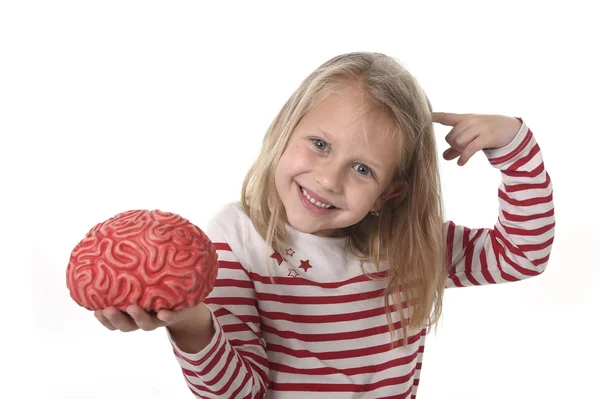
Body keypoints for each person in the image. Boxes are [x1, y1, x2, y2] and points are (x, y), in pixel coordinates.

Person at [94, 52, 555, 398]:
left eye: (363, 170)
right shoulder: (236, 241)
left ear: (388, 194)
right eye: (319, 143)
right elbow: (239, 393)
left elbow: (522, 255)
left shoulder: (407, 244)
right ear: (284, 130)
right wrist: (192, 323)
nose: (328, 179)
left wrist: (514, 147)